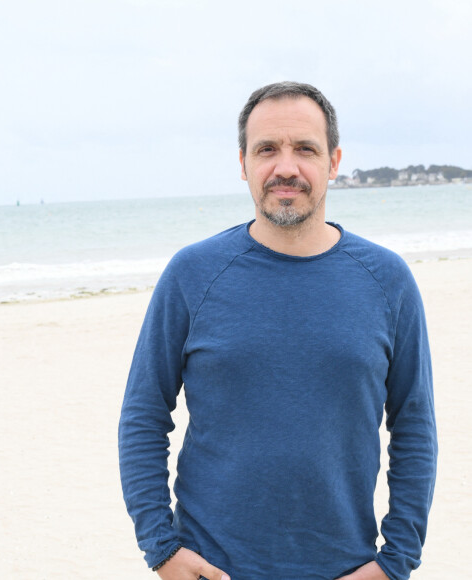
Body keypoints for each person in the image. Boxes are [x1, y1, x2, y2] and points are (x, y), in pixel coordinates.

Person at [118, 81, 437, 580]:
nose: (285, 167)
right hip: (213, 569)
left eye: (304, 149)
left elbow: (415, 427)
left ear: (333, 163)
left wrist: (396, 562)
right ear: (243, 163)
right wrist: (160, 548)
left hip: (346, 568)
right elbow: (143, 412)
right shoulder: (192, 274)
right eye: (267, 149)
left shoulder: (387, 281)